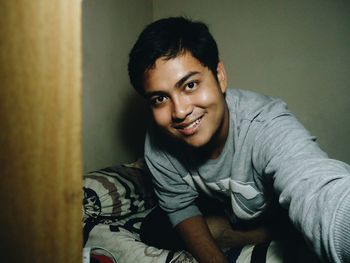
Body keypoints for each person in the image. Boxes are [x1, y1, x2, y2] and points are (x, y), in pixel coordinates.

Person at [127, 16, 350, 263]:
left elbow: (317, 190)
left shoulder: (265, 123)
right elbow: (179, 206)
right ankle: (236, 232)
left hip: (271, 213)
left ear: (220, 76)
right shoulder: (159, 142)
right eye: (160, 99)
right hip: (224, 208)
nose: (179, 111)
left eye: (190, 85)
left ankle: (260, 233)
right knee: (154, 228)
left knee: (301, 228)